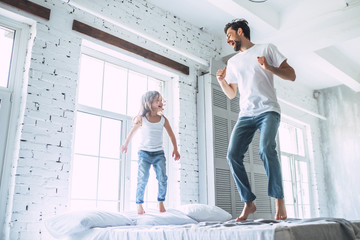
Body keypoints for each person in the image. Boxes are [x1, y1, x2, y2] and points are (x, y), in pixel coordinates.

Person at [216, 19, 296, 221]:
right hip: (246, 114)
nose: (228, 40)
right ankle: (249, 203)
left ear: (240, 32)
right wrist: (221, 81)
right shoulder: (233, 62)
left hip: (268, 110)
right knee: (232, 155)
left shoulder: (266, 48)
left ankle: (279, 201)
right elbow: (232, 94)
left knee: (266, 149)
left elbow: (291, 75)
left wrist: (270, 68)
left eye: (229, 35)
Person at [120, 91, 180, 215]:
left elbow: (171, 135)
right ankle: (139, 204)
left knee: (162, 178)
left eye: (160, 100)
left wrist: (175, 149)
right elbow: (132, 132)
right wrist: (125, 144)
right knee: (143, 178)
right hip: (144, 153)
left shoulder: (163, 119)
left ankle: (160, 201)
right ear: (149, 103)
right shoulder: (142, 119)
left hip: (159, 153)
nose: (159, 102)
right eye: (156, 100)